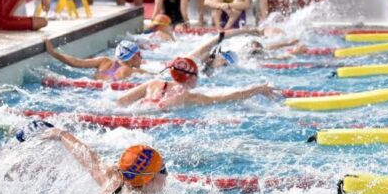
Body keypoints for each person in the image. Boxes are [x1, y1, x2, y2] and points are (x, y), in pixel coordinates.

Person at [41, 130, 169, 194]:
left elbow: (87, 156)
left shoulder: (113, 179)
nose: (167, 174)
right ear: (149, 179)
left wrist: (62, 134)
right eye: (163, 169)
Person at [117, 56, 276, 110]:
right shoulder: (186, 96)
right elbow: (226, 97)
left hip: (140, 110)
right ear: (191, 77)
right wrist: (258, 89)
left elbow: (121, 101)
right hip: (155, 115)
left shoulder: (153, 83)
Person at [44, 38, 150, 81]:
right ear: (132, 57)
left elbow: (75, 62)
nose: (141, 57)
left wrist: (53, 53)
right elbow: (156, 76)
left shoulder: (103, 61)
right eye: (139, 54)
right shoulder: (129, 71)